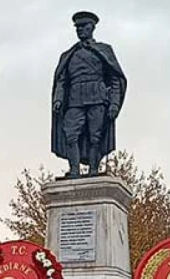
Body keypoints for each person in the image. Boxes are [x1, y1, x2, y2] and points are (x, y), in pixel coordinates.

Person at [51, 11, 126, 178]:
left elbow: (115, 79)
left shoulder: (104, 50)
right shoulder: (68, 55)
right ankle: (74, 170)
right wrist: (58, 98)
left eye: (83, 26)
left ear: (92, 27)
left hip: (97, 97)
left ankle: (93, 169)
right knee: (70, 134)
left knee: (95, 136)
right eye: (77, 27)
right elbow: (62, 80)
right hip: (74, 99)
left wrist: (114, 103)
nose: (80, 30)